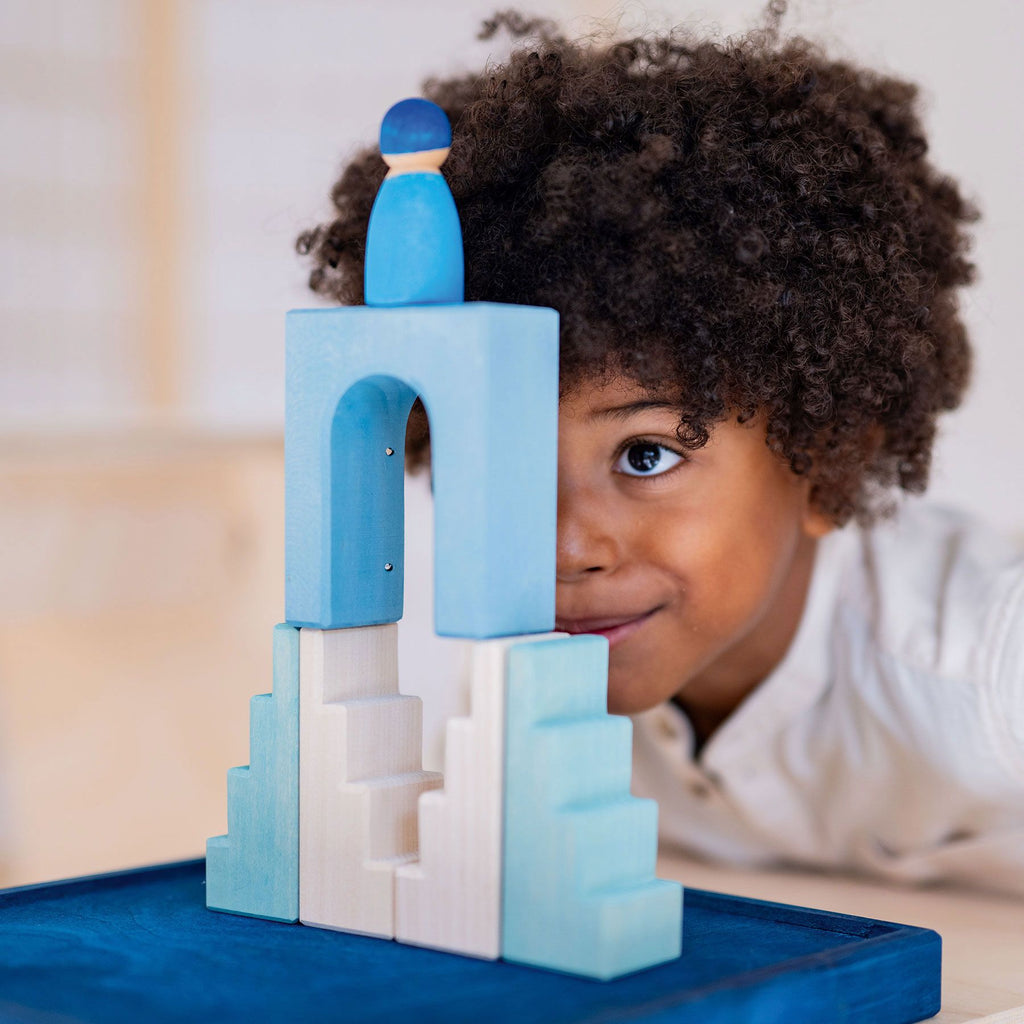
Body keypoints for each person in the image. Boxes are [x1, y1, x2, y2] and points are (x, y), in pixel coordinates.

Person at [296, 9, 1024, 894]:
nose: (564, 549)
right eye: (506, 464)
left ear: (827, 462)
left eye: (644, 456)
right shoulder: (523, 685)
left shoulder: (988, 662)